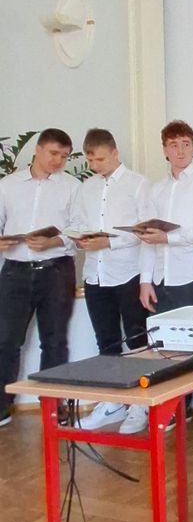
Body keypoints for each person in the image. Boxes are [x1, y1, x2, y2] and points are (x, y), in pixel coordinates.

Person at [138, 120, 193, 437]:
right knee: (168, 348)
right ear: (165, 150)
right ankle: (179, 407)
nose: (180, 150)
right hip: (163, 279)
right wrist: (145, 281)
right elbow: (148, 238)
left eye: (186, 144)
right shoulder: (156, 189)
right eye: (174, 145)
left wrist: (170, 238)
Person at [72, 128, 150, 431]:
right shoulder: (86, 188)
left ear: (115, 153)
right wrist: (81, 239)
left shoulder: (138, 184)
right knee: (105, 340)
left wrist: (110, 242)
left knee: (137, 340)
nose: (95, 165)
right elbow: (78, 223)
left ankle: (140, 406)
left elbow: (145, 232)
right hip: (95, 274)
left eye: (100, 159)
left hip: (128, 273)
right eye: (91, 160)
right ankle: (112, 403)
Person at [0, 128, 79, 426]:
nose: (58, 161)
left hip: (56, 270)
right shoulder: (7, 185)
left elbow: (78, 230)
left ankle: (54, 408)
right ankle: (1, 407)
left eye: (64, 156)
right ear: (38, 150)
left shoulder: (72, 187)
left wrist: (53, 242)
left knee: (55, 341)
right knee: (6, 341)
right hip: (15, 272)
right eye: (53, 153)